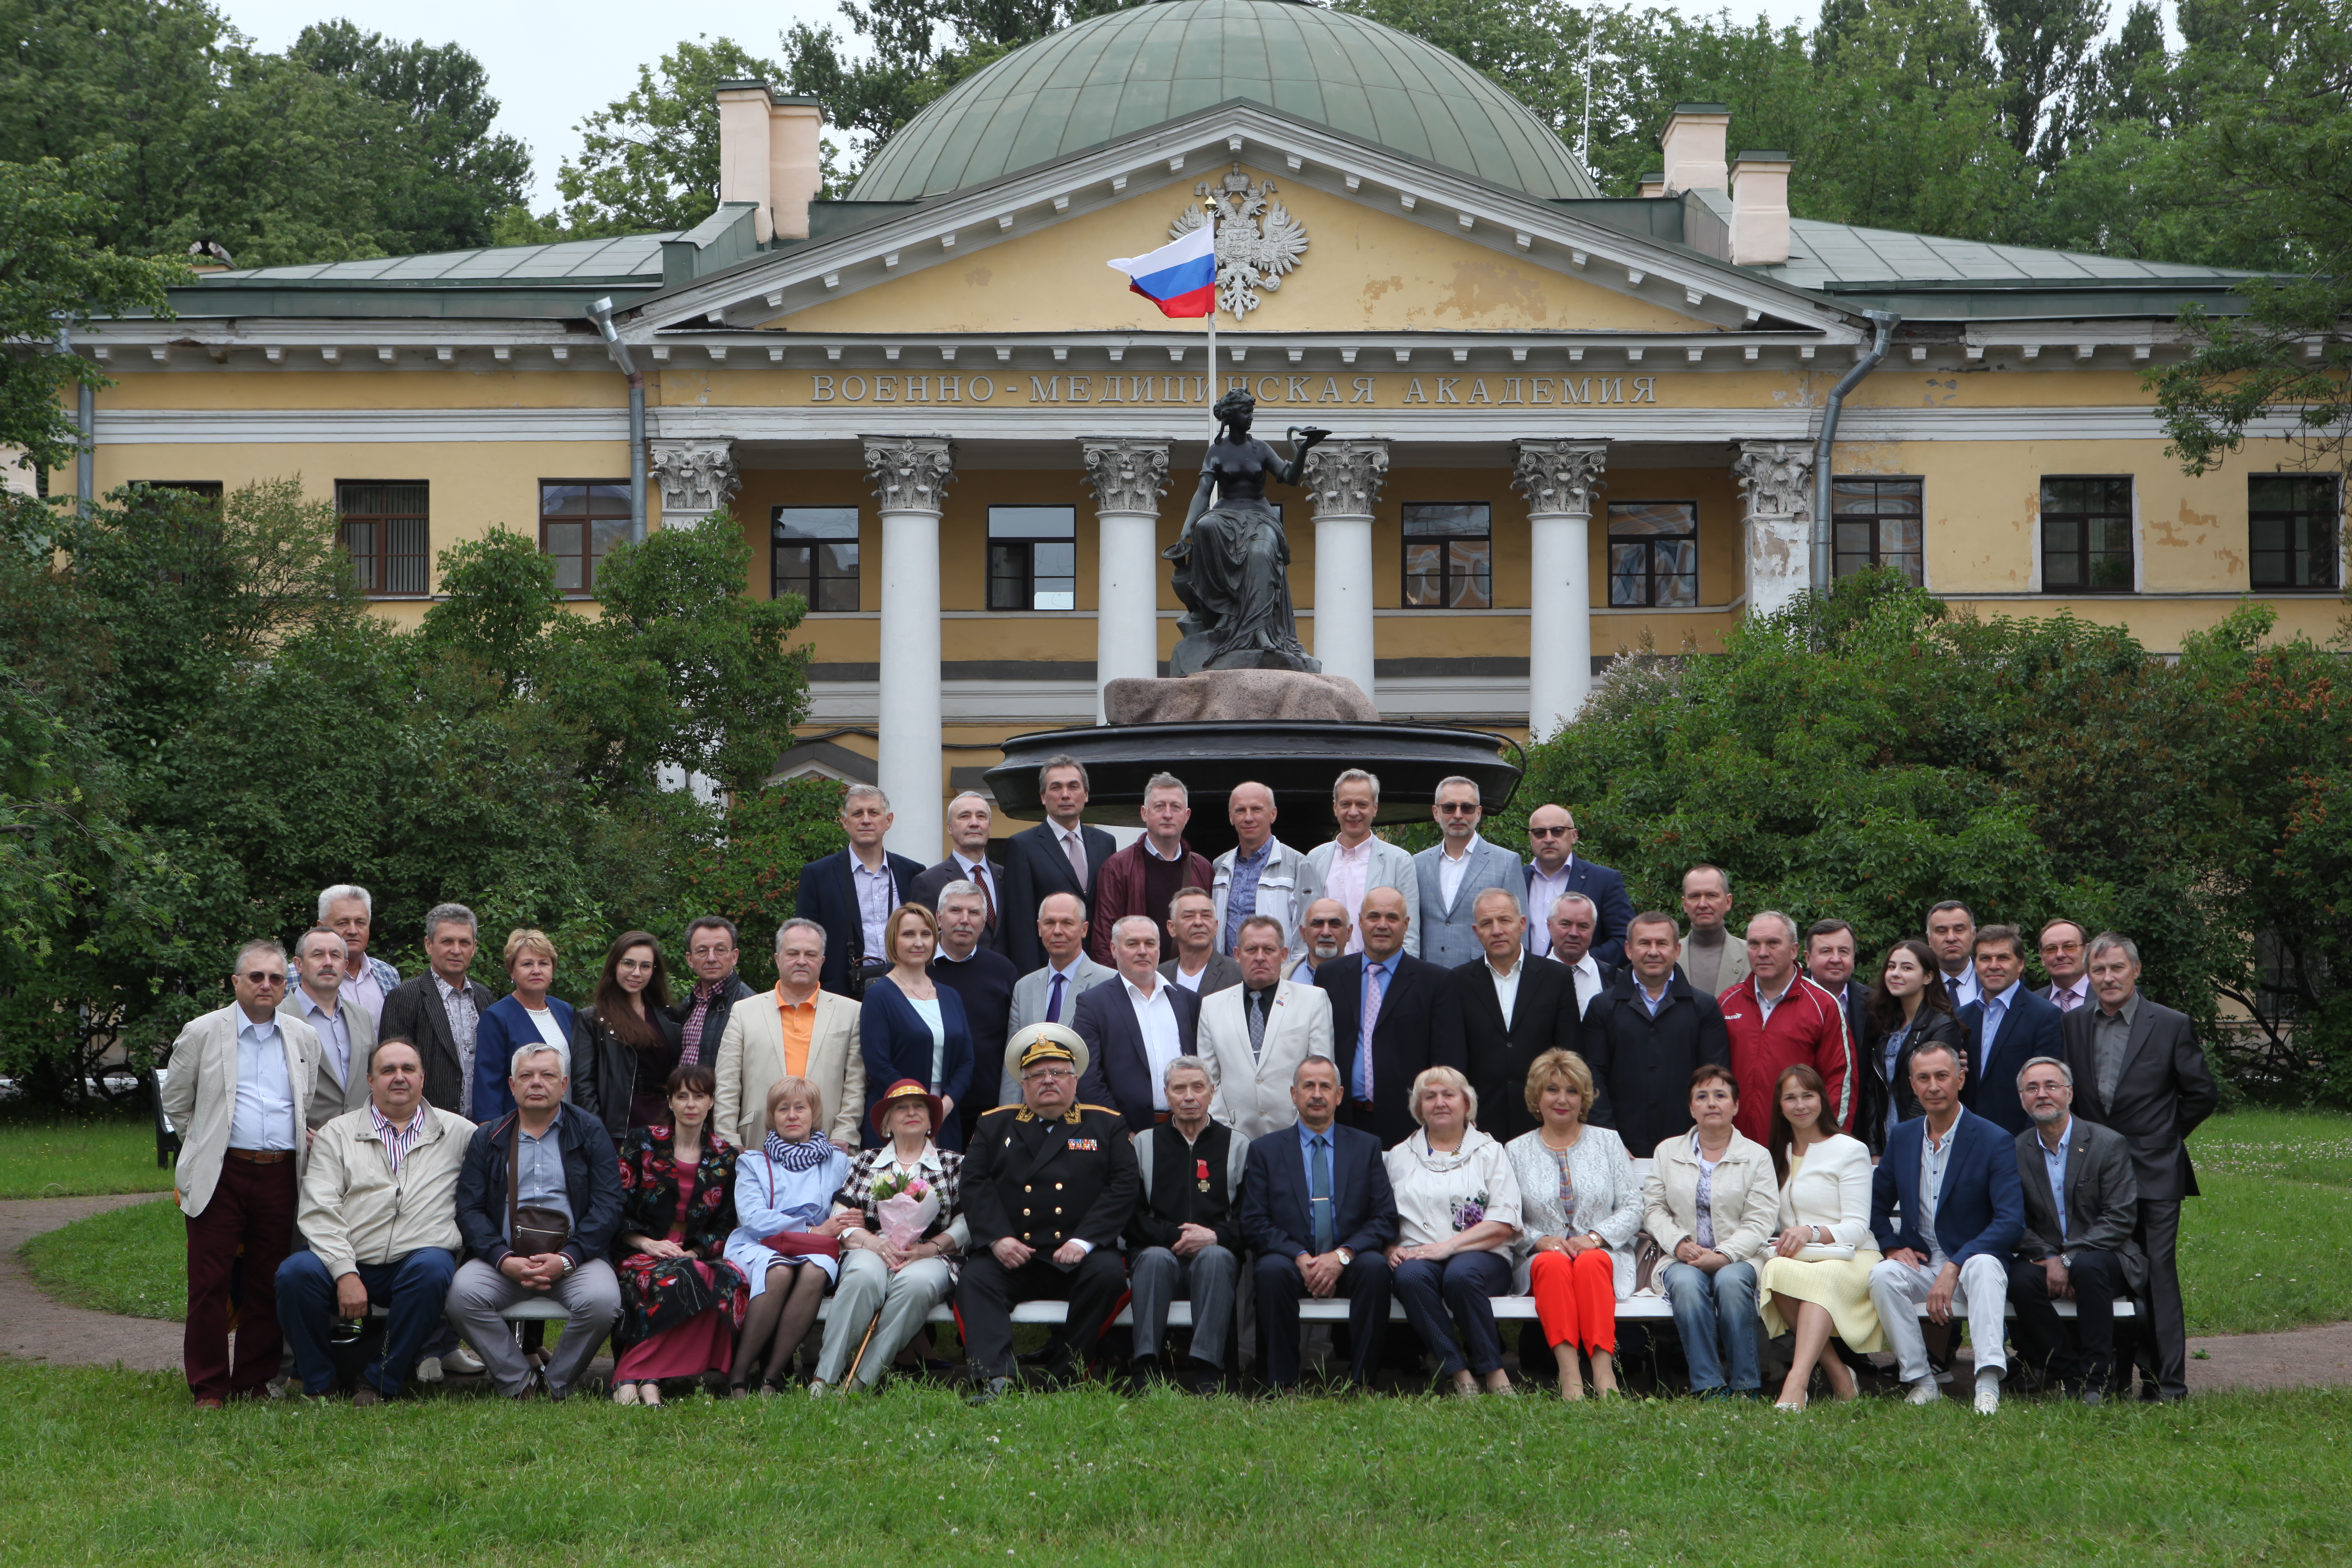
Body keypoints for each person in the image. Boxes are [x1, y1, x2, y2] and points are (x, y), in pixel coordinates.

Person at [162, 940, 323, 1407]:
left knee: (266, 1281)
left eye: (276, 978)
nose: (267, 986)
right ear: (236, 983)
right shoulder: (203, 1032)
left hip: (279, 1176)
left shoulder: (302, 1037)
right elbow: (177, 1103)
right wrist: (207, 1142)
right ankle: (209, 1386)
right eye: (256, 977)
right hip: (222, 1172)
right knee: (209, 1283)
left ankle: (253, 1381)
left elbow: (304, 1101)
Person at [2062, 931, 2217, 1403]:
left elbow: (2201, 1094)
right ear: (2088, 976)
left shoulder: (2170, 1024)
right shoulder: (2072, 1025)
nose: (2108, 978)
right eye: (2099, 970)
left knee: (2156, 1275)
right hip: (2095, 1177)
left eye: (2117, 969)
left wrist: (2162, 1138)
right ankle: (2110, 1377)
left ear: (2136, 971)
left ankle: (2166, 1383)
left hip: (2155, 1171)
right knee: (2106, 1271)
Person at [276, 1037, 471, 1404]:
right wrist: (345, 1272)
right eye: (388, 1070)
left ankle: (380, 1380)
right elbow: (319, 1208)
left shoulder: (459, 1133)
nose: (399, 1078)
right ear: (370, 1080)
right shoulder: (338, 1132)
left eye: (408, 1069)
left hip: (415, 1260)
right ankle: (318, 1382)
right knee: (294, 1273)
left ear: (423, 1078)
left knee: (433, 1269)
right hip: (348, 1255)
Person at [958, 1026, 1141, 1403]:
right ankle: (996, 1379)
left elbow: (1123, 1187)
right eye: (1037, 1075)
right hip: (1016, 1253)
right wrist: (997, 1238)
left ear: (1075, 1080)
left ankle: (1068, 1373)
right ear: (1023, 1085)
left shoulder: (1106, 1124)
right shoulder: (995, 1124)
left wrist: (1084, 1240)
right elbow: (974, 1184)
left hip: (1076, 1254)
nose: (1048, 1081)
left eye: (1058, 1073)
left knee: (1108, 1276)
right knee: (975, 1278)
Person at [446, 1042, 625, 1401]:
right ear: (512, 1086)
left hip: (576, 1260)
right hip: (504, 1260)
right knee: (461, 1296)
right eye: (527, 1076)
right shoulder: (488, 1138)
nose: (537, 1083)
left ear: (564, 1084)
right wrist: (502, 1259)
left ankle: (557, 1382)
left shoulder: (590, 1132)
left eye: (547, 1075)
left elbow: (609, 1204)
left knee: (604, 1302)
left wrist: (568, 1259)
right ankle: (518, 1381)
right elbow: (469, 1210)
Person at [1867, 1041, 2025, 1414]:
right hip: (1922, 1261)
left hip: (1973, 1261)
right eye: (1923, 1078)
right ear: (1911, 1083)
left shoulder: (1993, 1139)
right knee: (1883, 1276)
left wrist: (1956, 1264)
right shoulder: (1904, 1137)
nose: (1933, 1086)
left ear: (1960, 1079)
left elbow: (2010, 1221)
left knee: (1985, 1266)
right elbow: (1874, 1206)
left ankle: (1987, 1381)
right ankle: (1921, 1379)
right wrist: (1891, 1247)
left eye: (1942, 1076)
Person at [1239, 1055, 1399, 1391]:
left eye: (1325, 1086)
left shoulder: (1366, 1147)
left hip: (1349, 1261)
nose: (1317, 1094)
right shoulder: (1265, 1151)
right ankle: (1282, 1384)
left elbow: (1384, 1218)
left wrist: (1342, 1256)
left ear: (1339, 1095)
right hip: (1292, 1262)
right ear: (1293, 1094)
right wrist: (1299, 1256)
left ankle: (1363, 1383)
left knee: (1375, 1268)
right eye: (1308, 1086)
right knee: (1270, 1271)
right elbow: (1254, 1221)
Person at [813, 1078, 967, 1395]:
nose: (911, 1112)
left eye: (919, 1107)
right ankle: (825, 1377)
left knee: (917, 1284)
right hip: (870, 1246)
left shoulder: (954, 1164)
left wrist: (929, 1249)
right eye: (901, 1108)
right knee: (862, 1277)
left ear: (930, 1122)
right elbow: (840, 1219)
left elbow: (967, 1222)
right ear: (887, 1123)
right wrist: (874, 1243)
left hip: (932, 1253)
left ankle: (862, 1380)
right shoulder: (865, 1162)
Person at [607, 1063, 748, 1406]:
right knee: (684, 1279)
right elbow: (615, 1207)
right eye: (682, 1096)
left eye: (699, 1096)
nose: (690, 1104)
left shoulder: (725, 1157)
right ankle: (641, 1377)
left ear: (711, 1102)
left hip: (694, 1254)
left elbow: (727, 1224)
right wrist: (647, 1243)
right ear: (669, 1102)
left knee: (731, 1281)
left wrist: (695, 1253)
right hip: (640, 1250)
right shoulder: (642, 1143)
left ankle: (641, 1374)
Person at [2009, 1055, 2144, 1404]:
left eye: (2052, 1086)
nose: (2043, 1094)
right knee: (2020, 1280)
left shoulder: (2106, 1143)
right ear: (2022, 1098)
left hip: (2105, 1256)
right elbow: (2013, 1219)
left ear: (2069, 1093)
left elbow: (2120, 1217)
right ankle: (2070, 1374)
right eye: (2032, 1088)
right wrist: (2049, 1257)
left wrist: (2067, 1257)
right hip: (2045, 1257)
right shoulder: (2015, 1150)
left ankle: (2097, 1379)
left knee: (2088, 1267)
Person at [1505, 1049, 1639, 1400]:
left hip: (1603, 1253)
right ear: (1537, 1096)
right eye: (1552, 1090)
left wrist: (1595, 1237)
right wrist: (1540, 1240)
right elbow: (1509, 1218)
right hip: (1542, 1259)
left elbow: (1633, 1207)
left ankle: (1603, 1373)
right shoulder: (1515, 1151)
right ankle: (1570, 1377)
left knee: (1591, 1262)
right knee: (1552, 1263)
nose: (1562, 1099)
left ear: (1584, 1099)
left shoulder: (1608, 1142)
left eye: (1572, 1091)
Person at [1642, 1064, 1779, 1400]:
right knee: (1687, 1287)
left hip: (1740, 1256)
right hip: (1681, 1257)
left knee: (1731, 1283)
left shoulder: (1757, 1157)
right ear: (1691, 1108)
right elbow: (1654, 1209)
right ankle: (1709, 1386)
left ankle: (1746, 1385)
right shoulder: (1668, 1152)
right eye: (1702, 1097)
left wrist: (1723, 1255)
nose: (1712, 1103)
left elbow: (1761, 1220)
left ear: (1736, 1105)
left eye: (1721, 1095)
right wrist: (1680, 1243)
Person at [1385, 1065, 1522, 1396]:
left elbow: (1504, 1221)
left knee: (1460, 1275)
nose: (1440, 1103)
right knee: (1409, 1278)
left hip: (1483, 1256)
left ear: (1466, 1103)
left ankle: (1494, 1371)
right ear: (1420, 1108)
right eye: (1430, 1096)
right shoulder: (1400, 1156)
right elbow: (1381, 1218)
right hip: (1419, 1255)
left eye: (1449, 1095)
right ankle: (1459, 1373)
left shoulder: (1490, 1152)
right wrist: (1391, 1250)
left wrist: (1448, 1247)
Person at [1756, 1064, 1883, 1411]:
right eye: (1790, 1098)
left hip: (1852, 1255)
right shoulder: (1773, 1155)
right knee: (1776, 1273)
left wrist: (1811, 1232)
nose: (1800, 1105)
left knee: (1820, 1280)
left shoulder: (1849, 1150)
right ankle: (1839, 1373)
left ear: (1822, 1101)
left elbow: (1858, 1227)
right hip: (1801, 1259)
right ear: (1780, 1106)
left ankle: (1796, 1383)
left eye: (1808, 1096)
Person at [723, 1075, 856, 1395]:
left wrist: (822, 1234)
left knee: (816, 1270)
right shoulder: (752, 1162)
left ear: (814, 1114)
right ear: (772, 1117)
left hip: (818, 1248)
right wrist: (811, 1229)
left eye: (800, 1108)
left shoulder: (839, 1162)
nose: (792, 1115)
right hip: (759, 1244)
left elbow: (847, 1211)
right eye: (783, 1109)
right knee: (779, 1271)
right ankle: (738, 1375)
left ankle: (771, 1378)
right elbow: (753, 1219)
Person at [1127, 1057, 1249, 1393]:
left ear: (1212, 1093)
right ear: (1167, 1095)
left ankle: (1209, 1371)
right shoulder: (1144, 1145)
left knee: (1217, 1257)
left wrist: (1214, 1237)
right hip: (1158, 1252)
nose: (1189, 1097)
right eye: (1179, 1089)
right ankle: (1145, 1369)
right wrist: (1175, 1236)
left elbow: (1249, 1218)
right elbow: (1131, 1217)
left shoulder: (1238, 1145)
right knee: (1153, 1259)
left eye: (1198, 1087)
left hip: (1214, 1256)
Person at [1316, 886, 1468, 1147]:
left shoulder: (1436, 982)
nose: (1382, 925)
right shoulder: (1330, 975)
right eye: (1374, 917)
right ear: (1361, 922)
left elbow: (1448, 1061)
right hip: (1343, 1120)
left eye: (1393, 918)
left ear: (1406, 924)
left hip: (1409, 1126)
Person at [1579, 912, 1733, 1159]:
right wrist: (1609, 1139)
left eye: (1662, 943)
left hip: (1688, 1145)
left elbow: (1714, 1079)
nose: (1653, 951)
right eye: (1644, 943)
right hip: (1620, 1146)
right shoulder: (1602, 1008)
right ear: (1629, 950)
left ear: (1677, 949)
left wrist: (1700, 1138)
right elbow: (1592, 1078)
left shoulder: (1704, 1007)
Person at [713, 918, 864, 1151]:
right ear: (777, 959)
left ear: (822, 961)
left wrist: (845, 1133)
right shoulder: (744, 1012)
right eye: (793, 953)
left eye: (811, 955)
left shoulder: (851, 1012)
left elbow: (856, 1083)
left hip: (829, 1144)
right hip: (756, 1145)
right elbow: (727, 1084)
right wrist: (728, 1140)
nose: (802, 961)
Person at [1454, 888, 1579, 1143]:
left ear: (1522, 924)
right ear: (1477, 933)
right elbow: (1455, 1055)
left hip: (1543, 1119)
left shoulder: (1557, 978)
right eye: (1487, 923)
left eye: (1505, 920)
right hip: (1480, 1123)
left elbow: (1570, 1053)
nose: (1497, 930)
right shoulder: (1458, 981)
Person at [1718, 912, 1854, 1145]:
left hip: (1797, 1148)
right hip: (1736, 1148)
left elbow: (1839, 1081)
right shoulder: (1727, 1002)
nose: (1762, 953)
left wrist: (1827, 1144)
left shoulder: (1823, 1005)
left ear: (1793, 950)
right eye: (1754, 944)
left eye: (1773, 943)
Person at [1200, 913, 1335, 1140]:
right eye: (1251, 950)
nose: (1260, 958)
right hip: (1233, 1138)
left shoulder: (1313, 1000)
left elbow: (1321, 1074)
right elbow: (1208, 1081)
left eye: (1269, 950)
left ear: (1283, 955)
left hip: (1296, 1136)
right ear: (1237, 954)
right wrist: (1227, 1135)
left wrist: (1298, 1132)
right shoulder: (1212, 1006)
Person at [859, 904, 975, 1150]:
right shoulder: (879, 996)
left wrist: (942, 1108)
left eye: (926, 934)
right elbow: (878, 1064)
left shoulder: (951, 996)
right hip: (896, 1117)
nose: (919, 942)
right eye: (908, 934)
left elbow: (966, 1062)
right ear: (893, 940)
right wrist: (918, 1108)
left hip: (945, 1118)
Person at [1076, 915, 1204, 1133]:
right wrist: (1120, 1130)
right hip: (1125, 1132)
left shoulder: (1188, 1000)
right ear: (1114, 950)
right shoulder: (1094, 1004)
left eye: (1150, 944)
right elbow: (1087, 1077)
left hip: (1185, 1128)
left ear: (1159, 949)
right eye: (1133, 944)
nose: (1143, 951)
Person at [796, 784, 927, 996]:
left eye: (874, 812)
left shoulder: (913, 873)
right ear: (845, 822)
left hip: (905, 991)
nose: (866, 820)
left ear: (889, 821)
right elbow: (804, 940)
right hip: (839, 996)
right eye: (858, 813)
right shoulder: (818, 875)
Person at [1001, 756, 1116, 974]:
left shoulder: (1105, 843)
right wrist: (1031, 980)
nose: (1066, 795)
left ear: (1086, 795)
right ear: (1044, 797)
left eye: (1074, 786)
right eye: (1056, 788)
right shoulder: (1022, 846)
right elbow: (1021, 924)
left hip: (1100, 969)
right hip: (1049, 969)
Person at [380, 903, 493, 1117]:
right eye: (447, 941)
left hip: (480, 1126)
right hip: (427, 1125)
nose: (457, 950)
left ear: (475, 947)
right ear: (429, 945)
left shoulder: (484, 997)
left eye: (464, 942)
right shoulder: (405, 997)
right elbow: (393, 1072)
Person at [571, 930, 683, 1142]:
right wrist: (598, 1137)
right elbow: (584, 1087)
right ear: (615, 965)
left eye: (645, 966)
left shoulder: (669, 1018)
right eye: (629, 964)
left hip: (663, 1129)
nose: (637, 973)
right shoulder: (592, 1020)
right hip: (617, 1132)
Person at [1090, 772, 1213, 964]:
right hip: (1135, 982)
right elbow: (1106, 940)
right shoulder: (1117, 867)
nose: (1168, 814)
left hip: (1190, 982)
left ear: (1187, 815)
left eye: (1176, 807)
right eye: (1159, 806)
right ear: (1144, 813)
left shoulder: (1203, 868)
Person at [1003, 891, 1113, 1104]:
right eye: (1050, 923)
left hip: (1088, 1115)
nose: (1057, 931)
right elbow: (1013, 1063)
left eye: (1067, 923)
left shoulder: (1109, 982)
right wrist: (1008, 1119)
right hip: (1032, 1118)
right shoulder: (1024, 987)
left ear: (1084, 929)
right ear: (1039, 928)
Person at [1856, 939, 1962, 1155]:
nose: (1896, 973)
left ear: (1928, 977)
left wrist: (1907, 1143)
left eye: (1907, 968)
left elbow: (1929, 1093)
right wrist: (1875, 1150)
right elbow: (1872, 1092)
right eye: (1892, 967)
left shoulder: (1941, 1026)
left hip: (1924, 1142)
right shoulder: (1883, 1025)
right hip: (1886, 1142)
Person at [1958, 924, 2063, 1136]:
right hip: (1967, 1137)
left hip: (2018, 1139)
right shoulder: (1961, 1017)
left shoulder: (2045, 1016)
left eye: (2003, 958)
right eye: (1985, 958)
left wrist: (2027, 1145)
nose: (1993, 966)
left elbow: (2046, 1090)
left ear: (2020, 964)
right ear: (1975, 964)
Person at [929, 880, 1018, 1131]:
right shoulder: (912, 967)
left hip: (986, 1109)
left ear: (984, 922)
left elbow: (1012, 1041)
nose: (965, 920)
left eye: (975, 913)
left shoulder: (1004, 971)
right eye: (956, 911)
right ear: (939, 917)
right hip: (922, 1105)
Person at [1305, 768, 1420, 957]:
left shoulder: (1399, 861)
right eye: (1346, 804)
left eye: (1362, 804)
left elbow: (1410, 932)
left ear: (1375, 808)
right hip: (1321, 972)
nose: (1353, 812)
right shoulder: (1314, 859)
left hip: (1376, 973)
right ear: (1335, 808)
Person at [1412, 777, 1518, 970]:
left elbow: (1518, 931)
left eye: (1467, 808)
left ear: (1479, 813)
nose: (1458, 815)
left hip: (1483, 977)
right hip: (1428, 976)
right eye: (1449, 807)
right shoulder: (1417, 863)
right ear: (1436, 813)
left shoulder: (1507, 862)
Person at [472, 929, 575, 1124]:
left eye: (544, 963)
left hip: (566, 1124)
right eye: (527, 964)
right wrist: (491, 1137)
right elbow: (487, 1085)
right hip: (519, 1128)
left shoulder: (564, 1010)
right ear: (512, 971)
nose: (536, 970)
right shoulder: (497, 1017)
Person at [1211, 781, 1323, 958]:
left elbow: (1310, 930)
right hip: (1228, 976)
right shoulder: (1220, 866)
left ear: (1273, 814)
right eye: (1241, 810)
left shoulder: (1298, 865)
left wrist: (1295, 975)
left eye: (1257, 809)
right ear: (1231, 817)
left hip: (1277, 976)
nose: (1248, 818)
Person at [281, 926, 374, 1128]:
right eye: (318, 955)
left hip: (360, 1143)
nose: (328, 963)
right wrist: (297, 1134)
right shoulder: (278, 1017)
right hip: (305, 1147)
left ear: (345, 964)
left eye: (335, 955)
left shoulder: (362, 1017)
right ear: (298, 964)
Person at [1521, 804, 1632, 966]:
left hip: (1586, 984)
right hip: (1526, 983)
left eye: (1558, 831)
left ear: (1574, 836)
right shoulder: (1516, 878)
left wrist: (1579, 964)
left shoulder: (1605, 880)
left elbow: (1625, 939)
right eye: (1540, 833)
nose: (1549, 839)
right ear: (1531, 838)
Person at [909, 791, 1009, 956]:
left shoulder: (1007, 877)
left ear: (989, 827)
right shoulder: (928, 882)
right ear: (950, 827)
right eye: (964, 816)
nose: (974, 823)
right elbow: (922, 941)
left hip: (1005, 978)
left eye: (981, 816)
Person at [673, 917, 757, 1071]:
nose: (711, 958)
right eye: (702, 951)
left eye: (720, 950)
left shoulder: (749, 1005)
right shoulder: (687, 1005)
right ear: (690, 959)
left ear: (734, 957)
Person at [320, 883, 402, 1030]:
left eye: (360, 923)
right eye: (343, 923)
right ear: (321, 928)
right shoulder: (294, 976)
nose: (353, 931)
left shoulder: (388, 973)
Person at [1803, 918, 1869, 1058]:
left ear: (1854, 958)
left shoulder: (1874, 1004)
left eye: (1844, 952)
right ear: (1808, 959)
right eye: (1826, 951)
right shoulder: (1786, 998)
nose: (1836, 959)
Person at [1161, 885, 1243, 995]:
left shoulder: (1238, 974)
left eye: (1206, 916)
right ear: (1172, 928)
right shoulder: (1159, 976)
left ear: (1216, 927)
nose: (1199, 922)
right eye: (1189, 916)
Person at [1540, 892, 1613, 1017]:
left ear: (1594, 930)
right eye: (1565, 924)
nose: (1574, 933)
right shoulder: (1526, 977)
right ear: (1549, 926)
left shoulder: (1614, 980)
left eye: (1583, 926)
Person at [1678, 866, 1748, 995]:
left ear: (1728, 902)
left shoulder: (1752, 955)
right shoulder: (1667, 956)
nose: (1703, 904)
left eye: (1712, 895)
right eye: (1695, 896)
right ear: (1685, 904)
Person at [1926, 900, 1984, 1011]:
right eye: (1942, 931)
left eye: (1959, 930)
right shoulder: (1917, 985)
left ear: (1974, 934)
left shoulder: (1994, 980)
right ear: (1929, 939)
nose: (1951, 938)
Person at [1291, 898, 1352, 983]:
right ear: (1303, 933)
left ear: (1349, 932)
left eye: (1335, 924)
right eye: (1317, 924)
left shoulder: (1362, 980)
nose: (1326, 933)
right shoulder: (1285, 978)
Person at [2038, 918, 2092, 1014]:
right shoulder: (2032, 1004)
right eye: (2051, 949)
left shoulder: (2108, 995)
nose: (2060, 955)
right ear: (2042, 958)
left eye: (2070, 947)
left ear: (2086, 952)